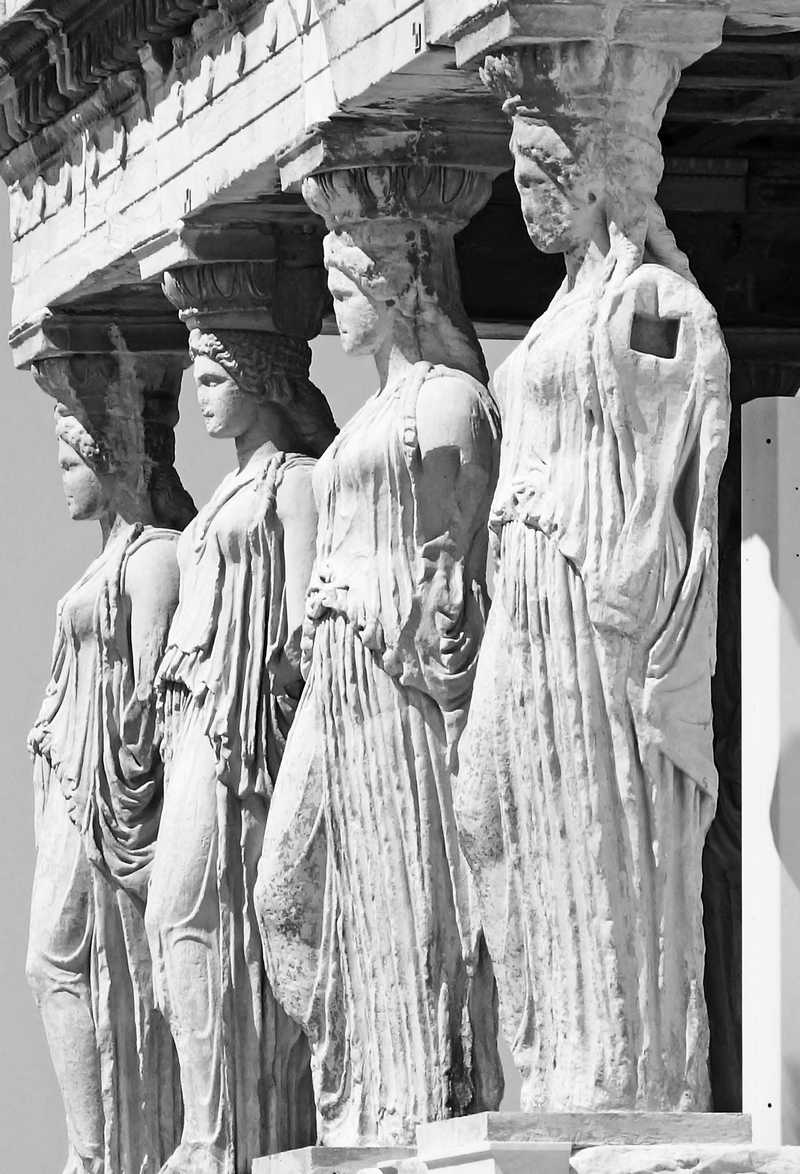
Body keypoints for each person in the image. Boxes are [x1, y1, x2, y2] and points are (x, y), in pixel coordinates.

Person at [456, 42, 731, 1112]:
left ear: (594, 179)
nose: (526, 198)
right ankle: (547, 1055)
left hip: (587, 585)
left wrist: (635, 571)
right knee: (489, 804)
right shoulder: (553, 317)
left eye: (541, 176)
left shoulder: (645, 298)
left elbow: (684, 424)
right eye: (522, 178)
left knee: (592, 807)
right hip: (525, 586)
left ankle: (613, 1068)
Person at [256, 166, 503, 1146]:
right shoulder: (365, 421)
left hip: (395, 676)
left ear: (396, 287)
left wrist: (400, 627)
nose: (333, 311)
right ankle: (356, 1076)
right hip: (336, 670)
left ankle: (416, 1098)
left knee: (408, 890)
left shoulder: (447, 404)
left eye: (344, 290)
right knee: (285, 891)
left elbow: (460, 567)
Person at [145, 327, 337, 1174]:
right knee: (173, 918)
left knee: (192, 911)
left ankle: (224, 1131)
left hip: (243, 727)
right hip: (191, 717)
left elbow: (302, 622)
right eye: (197, 379)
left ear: (259, 381)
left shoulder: (293, 482)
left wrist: (277, 691)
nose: (202, 397)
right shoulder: (222, 495)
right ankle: (206, 1124)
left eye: (216, 378)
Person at [27, 364, 195, 1174]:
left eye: (72, 463)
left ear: (108, 459)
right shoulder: (101, 565)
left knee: (64, 961)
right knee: (58, 963)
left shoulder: (156, 555)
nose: (62, 480)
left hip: (114, 792)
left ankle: (101, 1152)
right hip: (70, 779)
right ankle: (92, 1148)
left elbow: (150, 693)